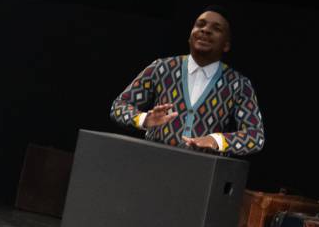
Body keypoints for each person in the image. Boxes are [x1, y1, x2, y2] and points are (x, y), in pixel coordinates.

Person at [108, 10, 265, 155]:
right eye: (200, 24)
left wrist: (216, 141)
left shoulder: (238, 84)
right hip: (152, 165)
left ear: (226, 45)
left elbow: (255, 136)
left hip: (203, 176)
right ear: (190, 36)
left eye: (216, 28)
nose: (205, 30)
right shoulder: (161, 68)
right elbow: (119, 106)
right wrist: (143, 119)